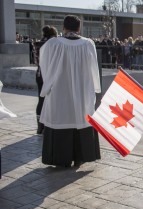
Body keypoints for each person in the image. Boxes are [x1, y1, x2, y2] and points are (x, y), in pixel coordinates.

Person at [39, 15, 101, 167]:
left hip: (59, 90)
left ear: (64, 28)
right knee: (80, 119)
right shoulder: (88, 44)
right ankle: (80, 156)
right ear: (79, 28)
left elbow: (44, 64)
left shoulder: (52, 44)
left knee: (61, 119)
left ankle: (60, 158)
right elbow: (94, 68)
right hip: (82, 91)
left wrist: (48, 85)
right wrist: (94, 88)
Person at [33, 25, 58, 134]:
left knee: (41, 99)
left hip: (40, 74)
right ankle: (49, 124)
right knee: (52, 99)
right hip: (51, 74)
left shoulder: (38, 44)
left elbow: (36, 60)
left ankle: (39, 125)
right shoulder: (53, 44)